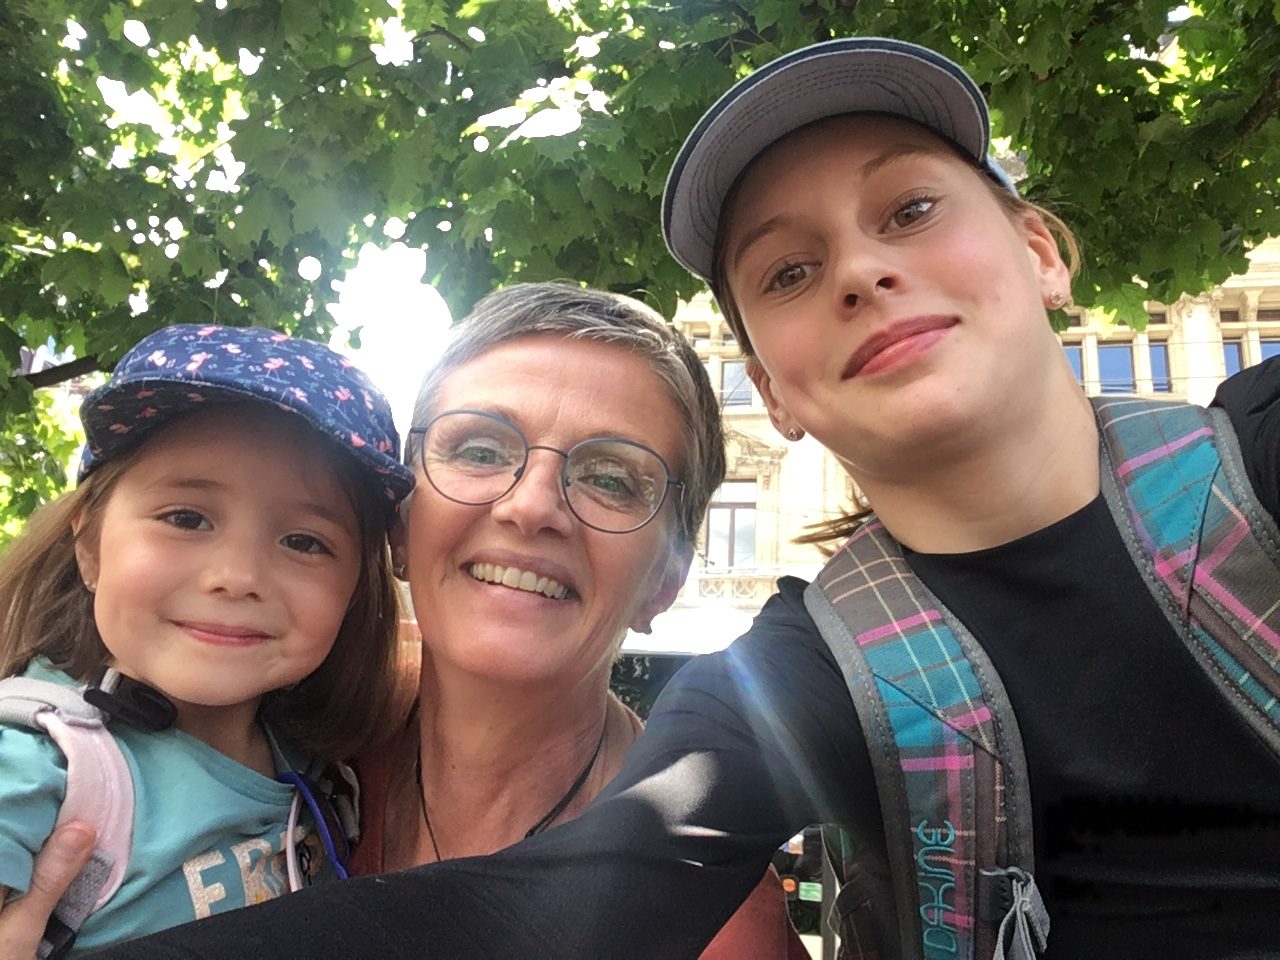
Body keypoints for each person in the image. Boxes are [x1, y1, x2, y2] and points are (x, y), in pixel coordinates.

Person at [26, 36, 1280, 960]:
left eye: (908, 209)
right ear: (772, 388)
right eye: (787, 271)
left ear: (1041, 249)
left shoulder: (1250, 461)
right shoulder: (258, 735)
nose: (859, 269)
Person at [341, 282, 802, 957]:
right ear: (400, 523)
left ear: (666, 579)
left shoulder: (712, 921)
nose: (531, 507)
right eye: (479, 450)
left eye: (611, 479)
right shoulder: (290, 739)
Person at [0, 323, 413, 956]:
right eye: (186, 518)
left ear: (356, 588)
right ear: (90, 545)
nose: (238, 577)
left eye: (304, 541)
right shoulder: (36, 766)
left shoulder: (318, 766)